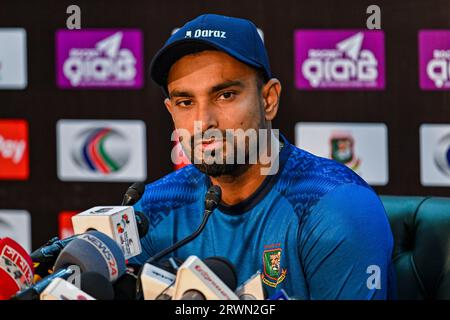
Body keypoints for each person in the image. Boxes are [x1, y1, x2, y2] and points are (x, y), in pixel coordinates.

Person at [130, 13, 396, 300]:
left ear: (269, 99)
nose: (202, 121)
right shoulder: (153, 207)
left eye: (225, 95)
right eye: (185, 102)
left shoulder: (335, 206)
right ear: (171, 111)